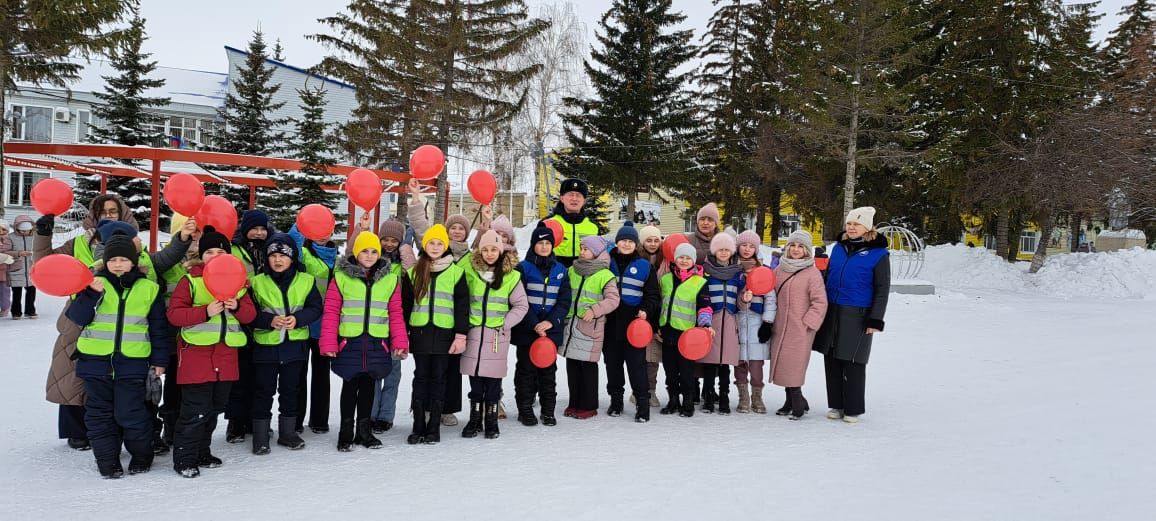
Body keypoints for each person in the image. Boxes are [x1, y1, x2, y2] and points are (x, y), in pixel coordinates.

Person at [35, 196, 192, 452]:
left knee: (135, 387)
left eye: (114, 211)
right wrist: (43, 233)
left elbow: (166, 258)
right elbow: (45, 263)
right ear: (95, 217)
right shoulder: (78, 244)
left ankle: (140, 434)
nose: (109, 215)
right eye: (104, 212)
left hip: (132, 330)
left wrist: (183, 239)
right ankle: (78, 431)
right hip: (83, 318)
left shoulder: (139, 253)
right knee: (74, 376)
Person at [66, 232, 171, 478]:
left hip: (132, 363)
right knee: (99, 416)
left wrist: (159, 360)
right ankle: (107, 462)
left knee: (131, 413)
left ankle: (142, 456)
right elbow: (77, 318)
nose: (118, 264)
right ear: (106, 262)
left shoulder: (149, 288)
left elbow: (158, 328)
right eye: (113, 260)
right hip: (95, 363)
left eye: (124, 259)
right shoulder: (92, 283)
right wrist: (90, 294)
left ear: (134, 261)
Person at [166, 226, 257, 478]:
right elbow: (174, 314)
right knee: (195, 410)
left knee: (215, 407)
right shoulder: (191, 281)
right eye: (209, 252)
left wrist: (237, 305)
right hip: (197, 357)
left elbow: (250, 315)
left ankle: (202, 452)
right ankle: (184, 458)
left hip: (226, 357)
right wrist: (205, 311)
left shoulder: (240, 283)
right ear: (200, 255)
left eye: (220, 251)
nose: (215, 256)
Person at [406, 178, 490, 427]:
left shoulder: (469, 254)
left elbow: (488, 245)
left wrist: (486, 221)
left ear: (466, 233)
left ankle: (446, 408)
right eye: (452, 227)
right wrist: (416, 200)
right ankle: (424, 411)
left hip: (457, 319)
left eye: (461, 229)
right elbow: (421, 226)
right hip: (430, 323)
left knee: (451, 370)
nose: (456, 231)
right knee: (426, 372)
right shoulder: (434, 246)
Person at [320, 232, 409, 451]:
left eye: (373, 251)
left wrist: (400, 341)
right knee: (350, 386)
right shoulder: (341, 277)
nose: (369, 256)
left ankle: (364, 431)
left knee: (370, 386)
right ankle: (345, 432)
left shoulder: (389, 278)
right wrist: (329, 342)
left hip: (377, 342)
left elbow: (395, 312)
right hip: (350, 341)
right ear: (356, 252)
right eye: (364, 251)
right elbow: (331, 311)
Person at [248, 233, 323, 454]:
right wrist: (268, 320)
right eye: (273, 256)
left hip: (295, 346)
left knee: (291, 390)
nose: (278, 260)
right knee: (263, 391)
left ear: (292, 258)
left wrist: (298, 319)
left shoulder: (306, 280)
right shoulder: (257, 282)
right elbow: (248, 313)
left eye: (283, 255)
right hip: (266, 346)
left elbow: (315, 308)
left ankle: (288, 433)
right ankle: (260, 437)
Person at [814, 207, 890, 424]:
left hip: (858, 313)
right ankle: (836, 405)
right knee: (832, 357)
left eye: (856, 224)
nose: (851, 227)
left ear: (867, 227)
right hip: (833, 309)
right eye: (849, 223)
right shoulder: (838, 248)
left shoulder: (878, 254)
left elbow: (882, 289)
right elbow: (828, 276)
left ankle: (853, 408)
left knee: (853, 360)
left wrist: (876, 319)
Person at [459, 230, 528, 439]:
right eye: (485, 249)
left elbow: (521, 305)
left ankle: (491, 421)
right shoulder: (470, 271)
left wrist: (504, 324)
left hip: (497, 336)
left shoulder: (512, 276)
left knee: (493, 381)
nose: (489, 254)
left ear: (501, 251)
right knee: (475, 380)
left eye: (494, 249)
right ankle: (474, 420)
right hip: (474, 334)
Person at [405, 224, 470, 444]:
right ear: (424, 245)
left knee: (439, 378)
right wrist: (402, 334)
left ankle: (434, 427)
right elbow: (405, 306)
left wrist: (461, 335)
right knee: (420, 377)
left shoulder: (456, 273)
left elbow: (462, 308)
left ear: (446, 246)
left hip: (444, 335)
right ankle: (418, 426)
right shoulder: (414, 272)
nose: (435, 247)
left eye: (439, 243)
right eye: (431, 243)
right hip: (420, 333)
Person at [511, 224, 571, 426]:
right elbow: (519, 299)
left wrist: (550, 322)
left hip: (550, 331)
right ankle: (525, 409)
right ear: (533, 245)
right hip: (527, 330)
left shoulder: (560, 270)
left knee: (548, 372)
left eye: (548, 243)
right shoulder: (523, 268)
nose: (544, 247)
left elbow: (564, 301)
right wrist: (534, 323)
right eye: (540, 243)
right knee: (526, 372)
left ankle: (548, 410)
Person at [559, 236, 621, 420]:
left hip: (590, 326)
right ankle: (574, 402)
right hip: (572, 326)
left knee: (587, 366)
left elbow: (613, 300)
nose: (582, 251)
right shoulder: (572, 270)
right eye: (581, 248)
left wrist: (594, 311)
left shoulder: (605, 275)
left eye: (586, 249)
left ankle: (588, 404)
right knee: (572, 365)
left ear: (596, 253)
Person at [603, 223, 660, 422]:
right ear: (616, 242)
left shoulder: (644, 265)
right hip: (609, 323)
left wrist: (645, 310)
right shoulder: (605, 261)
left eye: (630, 241)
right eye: (623, 240)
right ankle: (616, 401)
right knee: (612, 364)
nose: (626, 244)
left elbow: (653, 295)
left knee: (637, 366)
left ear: (636, 245)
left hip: (634, 324)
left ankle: (642, 404)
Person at [286, 224, 338, 434]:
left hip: (325, 326)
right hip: (303, 322)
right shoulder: (304, 253)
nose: (323, 234)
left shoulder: (336, 255)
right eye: (319, 230)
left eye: (327, 230)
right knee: (298, 374)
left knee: (321, 375)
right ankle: (296, 420)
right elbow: (291, 244)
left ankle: (319, 420)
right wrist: (303, 223)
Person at [771, 231, 828, 420]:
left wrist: (808, 323)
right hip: (780, 327)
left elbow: (820, 302)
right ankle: (791, 401)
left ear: (807, 250)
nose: (796, 250)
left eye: (800, 246)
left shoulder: (812, 273)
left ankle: (797, 403)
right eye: (793, 245)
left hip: (800, 329)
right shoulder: (779, 269)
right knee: (784, 365)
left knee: (795, 366)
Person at [225, 209, 269, 444]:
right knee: (239, 374)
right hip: (238, 314)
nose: (259, 233)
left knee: (260, 375)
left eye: (263, 228)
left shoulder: (271, 250)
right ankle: (235, 423)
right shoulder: (233, 249)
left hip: (263, 315)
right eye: (255, 228)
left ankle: (256, 420)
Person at [658, 242, 712, 417]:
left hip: (687, 336)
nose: (684, 260)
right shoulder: (665, 279)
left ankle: (688, 403)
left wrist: (705, 324)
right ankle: (673, 400)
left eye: (688, 258)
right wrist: (656, 326)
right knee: (670, 371)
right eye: (681, 257)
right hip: (667, 332)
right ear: (675, 259)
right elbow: (660, 304)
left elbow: (705, 307)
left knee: (686, 372)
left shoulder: (700, 282)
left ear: (693, 261)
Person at [701, 232, 744, 414]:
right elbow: (702, 298)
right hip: (713, 321)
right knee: (710, 362)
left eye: (727, 249)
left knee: (725, 362)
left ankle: (724, 396)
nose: (724, 253)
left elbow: (741, 300)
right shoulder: (706, 271)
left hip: (730, 320)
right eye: (720, 249)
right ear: (714, 251)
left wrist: (746, 298)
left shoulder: (738, 273)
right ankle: (709, 396)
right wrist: (704, 320)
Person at [734, 230, 776, 414]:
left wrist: (767, 322)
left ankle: (757, 396)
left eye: (751, 246)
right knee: (740, 363)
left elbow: (771, 299)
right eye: (744, 245)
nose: (747, 249)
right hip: (738, 322)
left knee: (757, 365)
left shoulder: (763, 271)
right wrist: (743, 300)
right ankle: (743, 397)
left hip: (758, 324)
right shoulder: (733, 270)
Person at [636, 224, 666, 407]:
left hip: (659, 312)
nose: (653, 244)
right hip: (641, 312)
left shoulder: (665, 260)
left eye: (656, 240)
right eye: (649, 240)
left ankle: (651, 390)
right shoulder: (638, 259)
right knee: (639, 357)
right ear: (642, 242)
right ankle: (639, 391)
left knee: (653, 357)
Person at [547, 178, 600, 267]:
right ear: (562, 198)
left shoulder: (593, 226)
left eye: (578, 195)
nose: (574, 199)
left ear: (584, 201)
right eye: (570, 195)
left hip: (582, 276)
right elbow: (535, 253)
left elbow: (598, 255)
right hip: (554, 276)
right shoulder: (548, 223)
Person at [6, 216, 36, 319]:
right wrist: (19, 253)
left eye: (27, 231)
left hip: (32, 269)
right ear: (16, 228)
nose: (24, 233)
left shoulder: (35, 237)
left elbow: (41, 249)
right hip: (16, 269)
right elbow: (5, 252)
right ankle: (16, 312)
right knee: (17, 292)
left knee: (31, 291)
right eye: (22, 231)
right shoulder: (10, 237)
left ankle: (30, 311)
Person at [0, 220, 12, 317]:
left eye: (4, 229)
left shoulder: (9, 241)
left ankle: (5, 308)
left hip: (5, 273)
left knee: (4, 292)